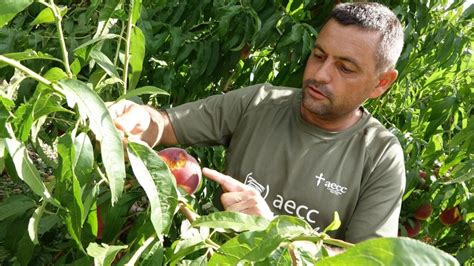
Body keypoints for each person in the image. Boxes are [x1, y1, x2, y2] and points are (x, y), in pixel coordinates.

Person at [109, 2, 406, 244]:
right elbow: (165, 124)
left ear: (381, 83)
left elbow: (366, 260)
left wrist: (273, 233)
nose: (321, 74)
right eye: (318, 55)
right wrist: (138, 119)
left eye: (344, 68)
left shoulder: (379, 155)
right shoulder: (260, 103)